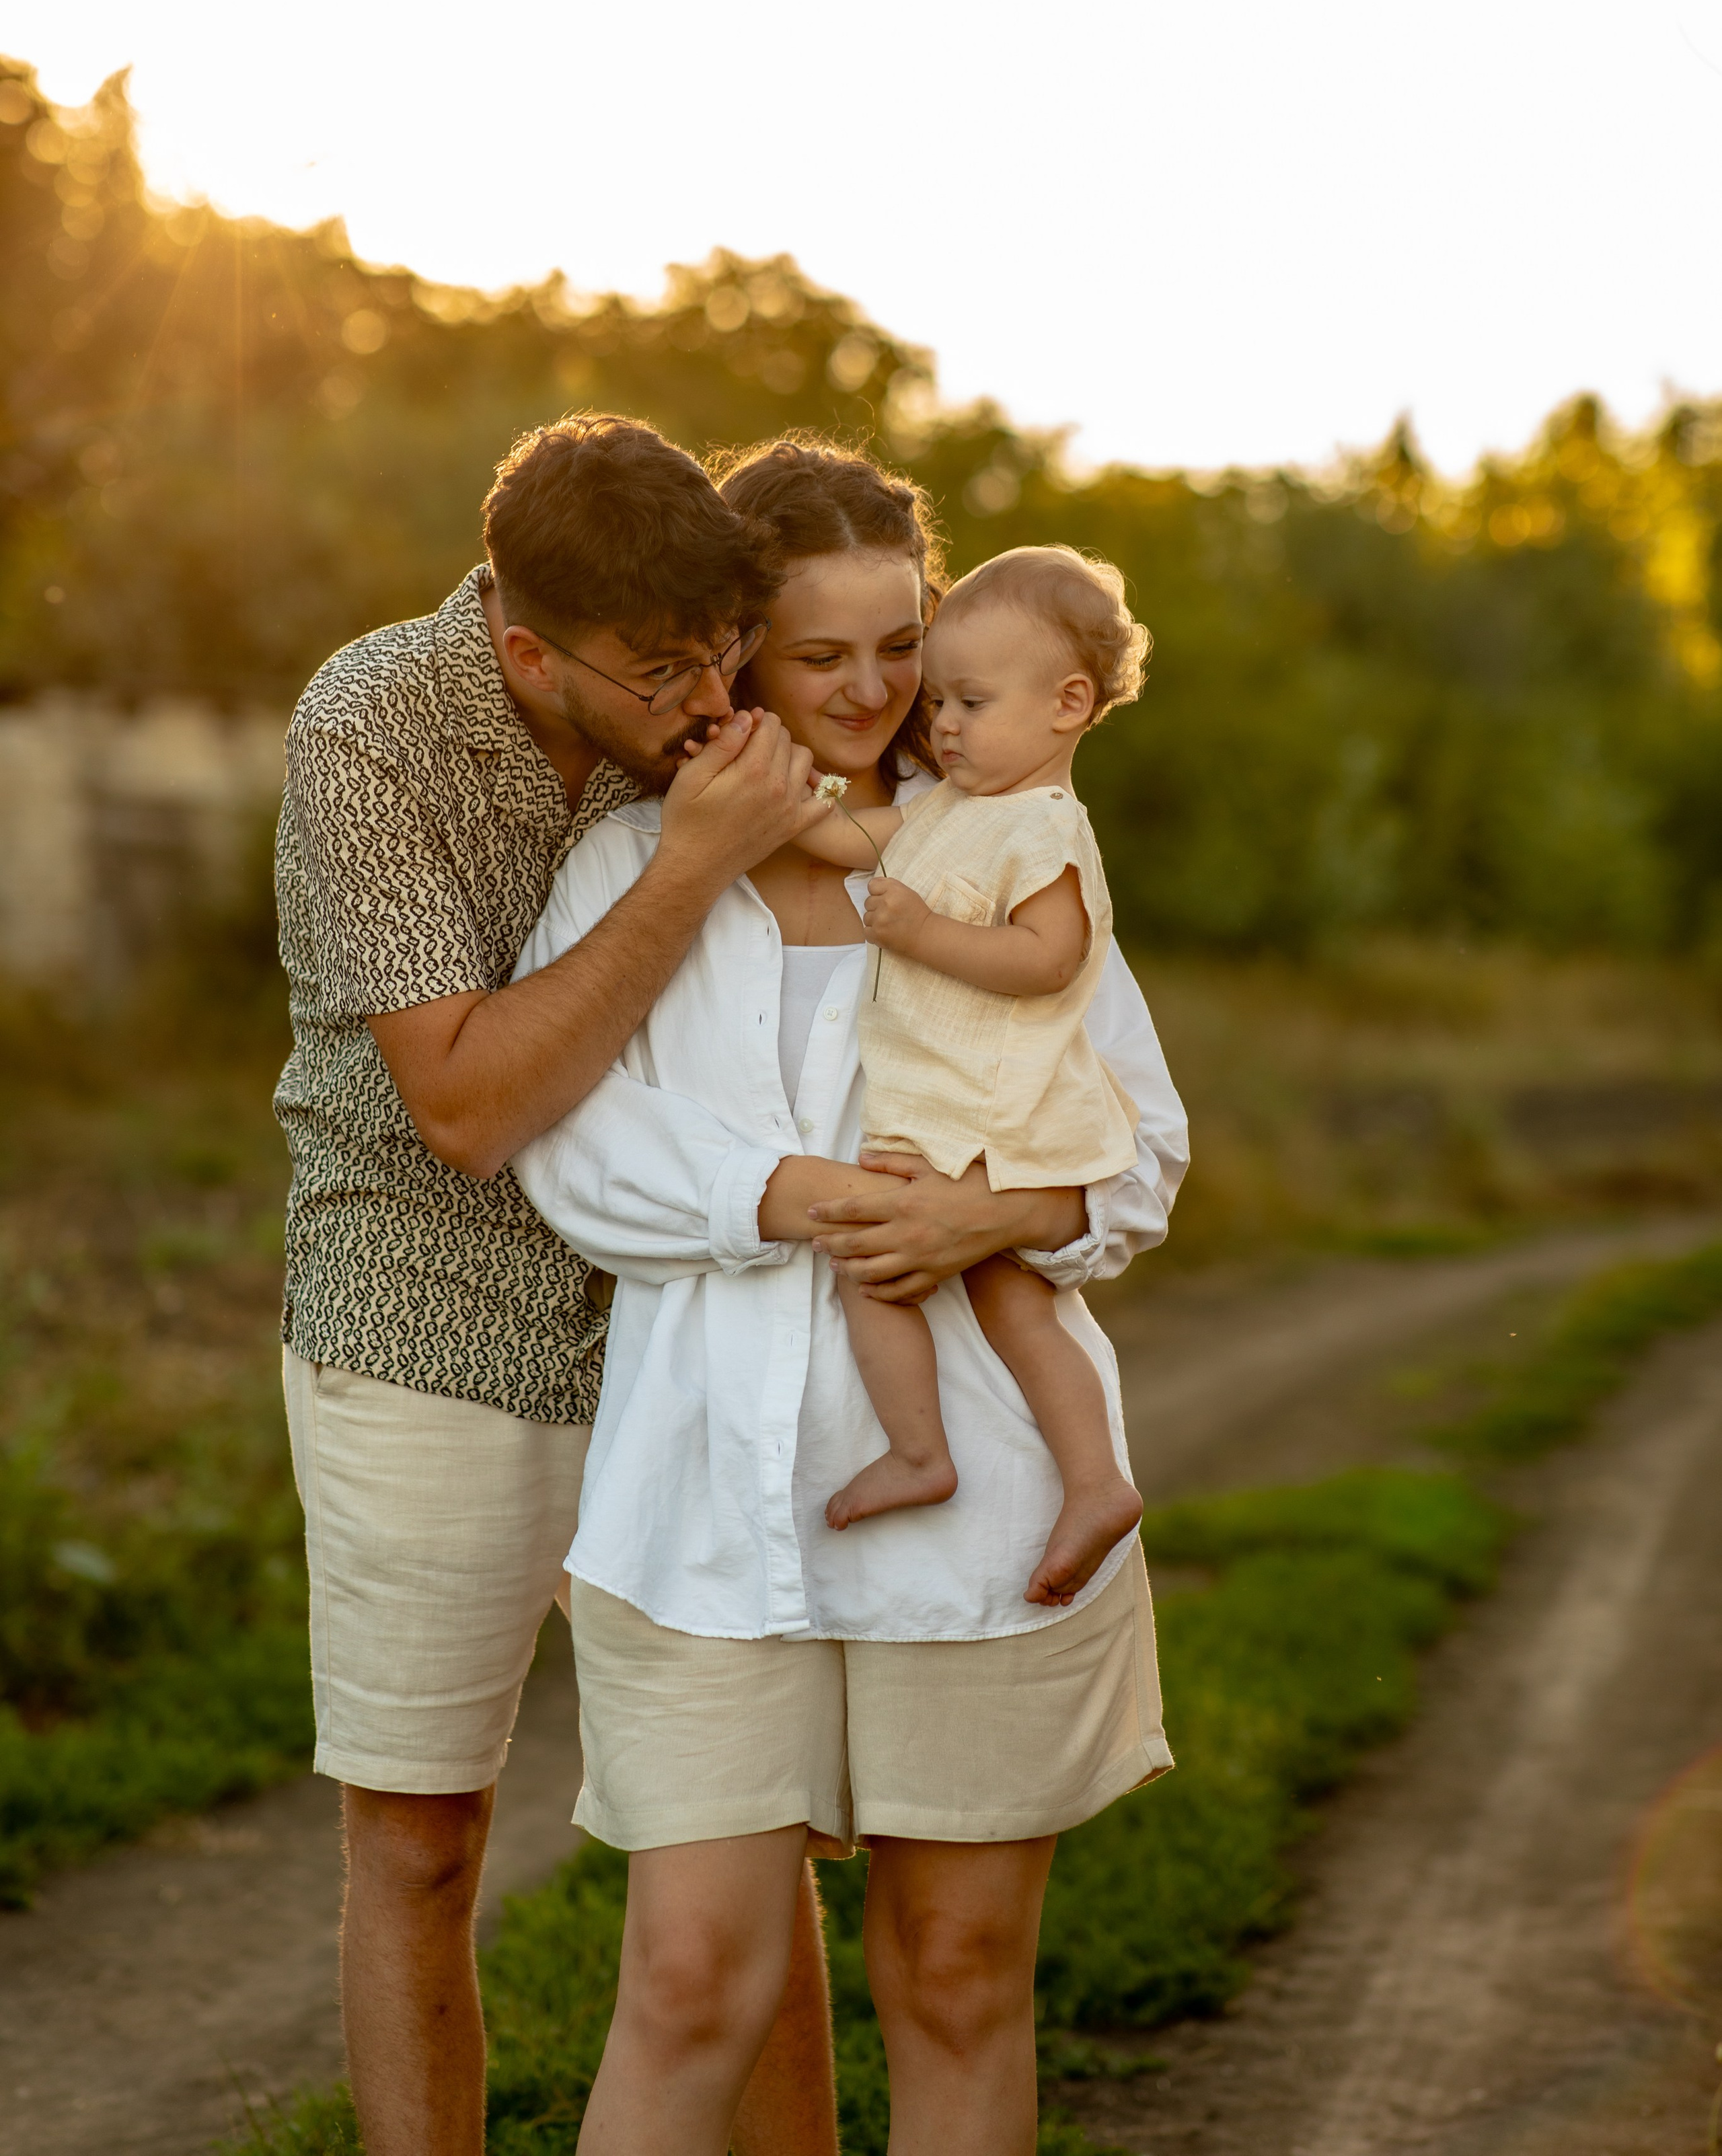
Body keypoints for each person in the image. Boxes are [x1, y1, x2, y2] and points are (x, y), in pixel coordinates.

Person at [512, 439, 1189, 2156]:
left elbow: (1143, 1152)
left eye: (904, 644)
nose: (877, 689)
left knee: (956, 1976)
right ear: (737, 650)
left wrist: (990, 1223)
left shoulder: (1008, 851)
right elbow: (574, 1156)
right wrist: (792, 1196)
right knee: (685, 1983)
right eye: (824, 654)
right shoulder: (628, 875)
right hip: (704, 1512)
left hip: (982, 1506)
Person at [272, 414, 839, 2156]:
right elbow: (466, 1103)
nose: (707, 696)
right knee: (424, 1833)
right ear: (527, 646)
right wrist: (691, 866)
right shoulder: (369, 727)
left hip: (693, 1307)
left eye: (723, 647)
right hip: (423, 1309)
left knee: (739, 1824)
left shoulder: (715, 702)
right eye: (662, 667)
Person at [795, 544, 1148, 1604]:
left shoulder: (1047, 829)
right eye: (939, 698)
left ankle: (1034, 1471)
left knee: (910, 1272)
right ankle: (1006, 1466)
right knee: (958, 1286)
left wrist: (921, 935)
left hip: (999, 1112)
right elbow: (861, 840)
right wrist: (772, 801)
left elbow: (1049, 959)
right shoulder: (953, 806)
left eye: (972, 700)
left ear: (1066, 704)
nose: (940, 723)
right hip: (947, 1105)